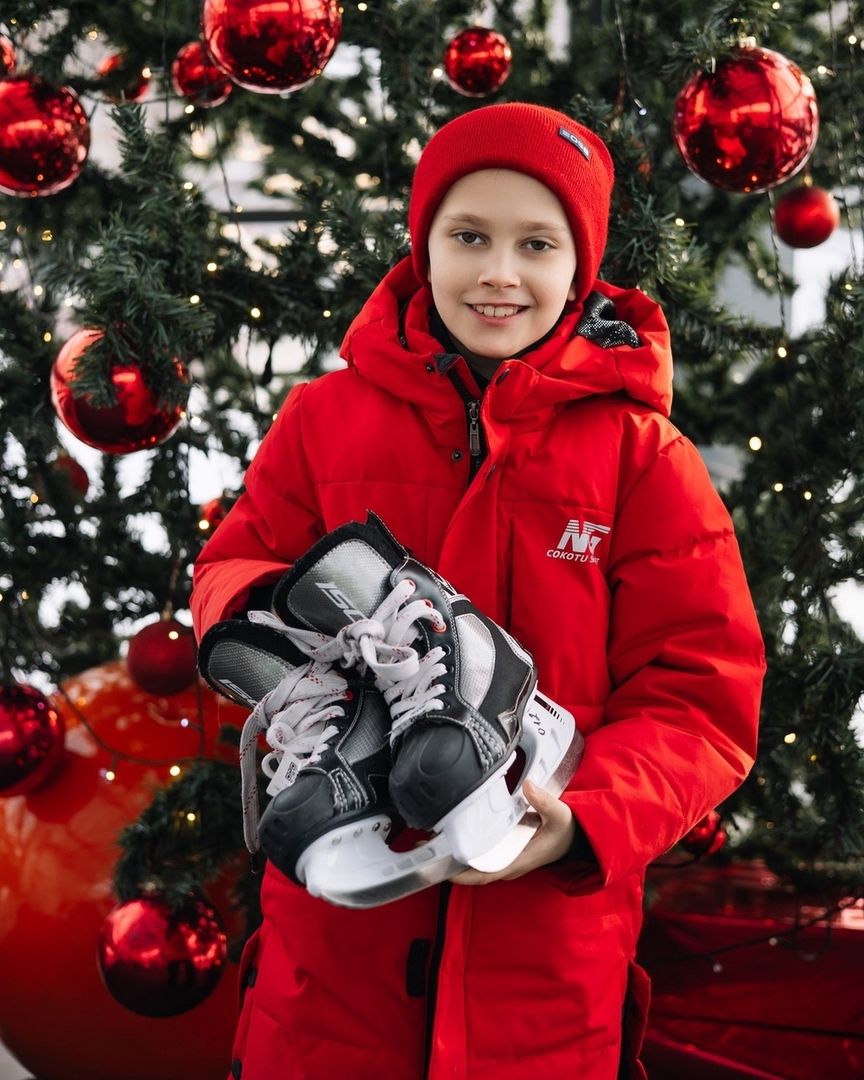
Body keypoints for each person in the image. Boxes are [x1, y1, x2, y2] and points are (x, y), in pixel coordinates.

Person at [191, 101, 765, 1080]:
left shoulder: (640, 457)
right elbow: (231, 570)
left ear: (579, 271)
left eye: (536, 244)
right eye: (468, 236)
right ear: (423, 248)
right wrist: (293, 639)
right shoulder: (325, 419)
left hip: (539, 963)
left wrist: (584, 820)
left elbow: (700, 693)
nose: (499, 272)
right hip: (334, 952)